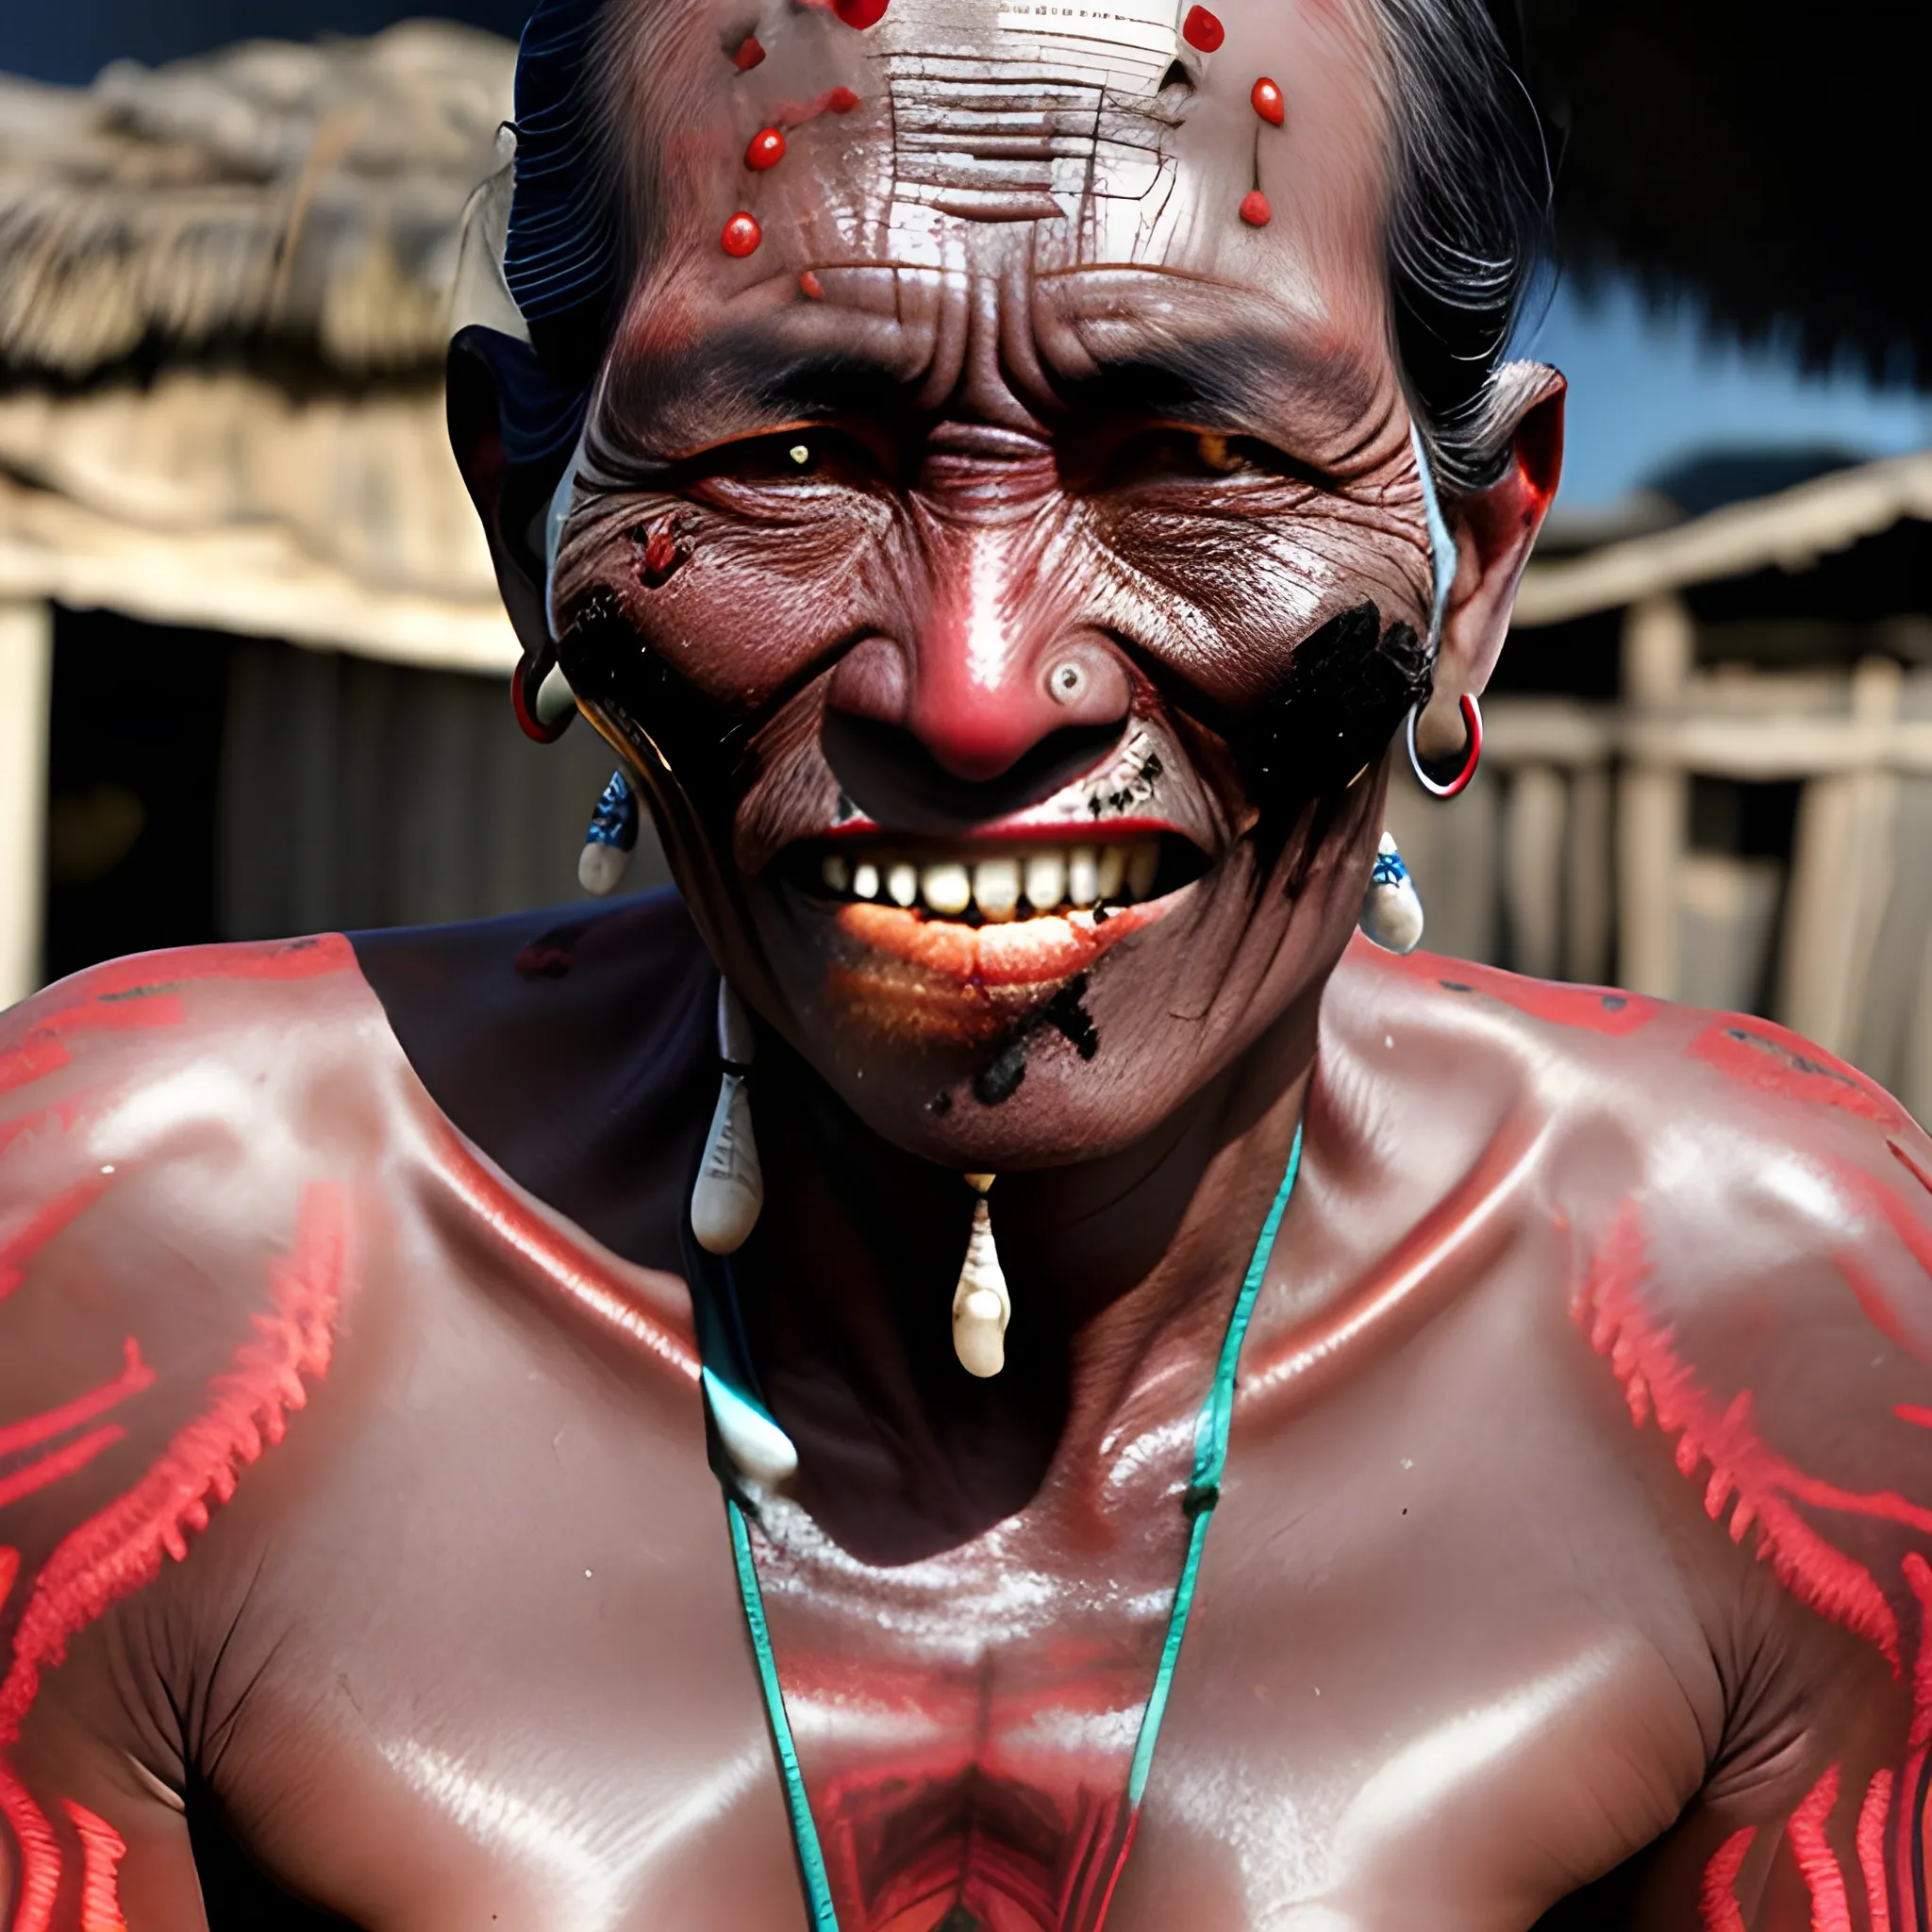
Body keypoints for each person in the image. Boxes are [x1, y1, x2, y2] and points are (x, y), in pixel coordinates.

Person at [3, 0, 1930, 1924]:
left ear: (1476, 555)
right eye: (791, 448)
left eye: (1193, 449)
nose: (980, 689)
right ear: (533, 520)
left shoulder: (1764, 1337)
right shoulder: (144, 1288)